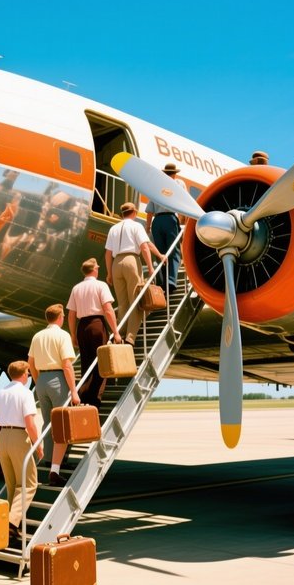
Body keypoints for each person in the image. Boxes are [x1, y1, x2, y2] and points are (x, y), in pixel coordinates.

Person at [28, 303, 81, 487]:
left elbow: (31, 362)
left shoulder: (37, 336)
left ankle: (47, 461)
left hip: (41, 379)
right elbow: (67, 365)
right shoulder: (62, 335)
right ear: (60, 317)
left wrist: (38, 381)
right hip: (58, 379)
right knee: (62, 426)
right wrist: (74, 391)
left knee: (48, 423)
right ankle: (55, 470)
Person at [0, 361, 43, 540]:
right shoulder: (26, 393)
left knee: (12, 485)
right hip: (19, 437)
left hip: (3, 436)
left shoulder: (1, 393)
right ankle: (12, 522)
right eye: (28, 372)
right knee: (29, 484)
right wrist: (38, 444)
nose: (29, 375)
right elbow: (30, 423)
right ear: (23, 374)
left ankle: (11, 527)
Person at [105, 203, 164, 346]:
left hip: (116, 264)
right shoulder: (136, 226)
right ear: (135, 212)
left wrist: (109, 274)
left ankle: (120, 335)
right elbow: (144, 246)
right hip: (131, 261)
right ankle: (130, 338)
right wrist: (151, 267)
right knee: (136, 301)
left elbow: (108, 253)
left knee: (123, 303)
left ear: (122, 213)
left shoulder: (113, 228)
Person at [66, 258, 121, 407]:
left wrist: (72, 334)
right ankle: (94, 399)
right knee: (101, 362)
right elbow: (108, 309)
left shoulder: (76, 288)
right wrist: (115, 332)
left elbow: (71, 315)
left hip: (82, 327)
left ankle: (84, 396)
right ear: (94, 270)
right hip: (97, 324)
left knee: (86, 363)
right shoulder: (100, 285)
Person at [145, 163, 186, 291]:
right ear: (174, 174)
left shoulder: (156, 186)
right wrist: (181, 220)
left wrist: (148, 226)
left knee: (160, 253)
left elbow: (150, 210)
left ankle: (162, 282)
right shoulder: (178, 184)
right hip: (170, 219)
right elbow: (183, 203)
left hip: (157, 221)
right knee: (173, 251)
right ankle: (171, 281)